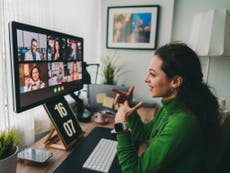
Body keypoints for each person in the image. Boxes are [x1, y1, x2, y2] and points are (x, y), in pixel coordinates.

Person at [112, 43, 222, 173]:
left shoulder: (182, 122)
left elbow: (135, 171)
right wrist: (128, 106)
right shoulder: (170, 108)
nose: (146, 79)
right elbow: (142, 134)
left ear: (175, 81)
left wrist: (120, 126)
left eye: (152, 74)